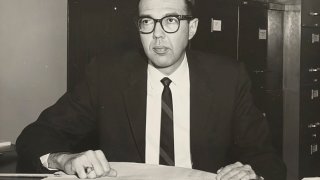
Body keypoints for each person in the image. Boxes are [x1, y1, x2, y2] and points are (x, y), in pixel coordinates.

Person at [16, 0, 286, 179]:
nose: (157, 34)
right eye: (147, 22)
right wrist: (65, 159)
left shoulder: (228, 77)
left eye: (170, 20)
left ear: (191, 28)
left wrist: (253, 174)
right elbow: (35, 136)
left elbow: (267, 159)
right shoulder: (106, 75)